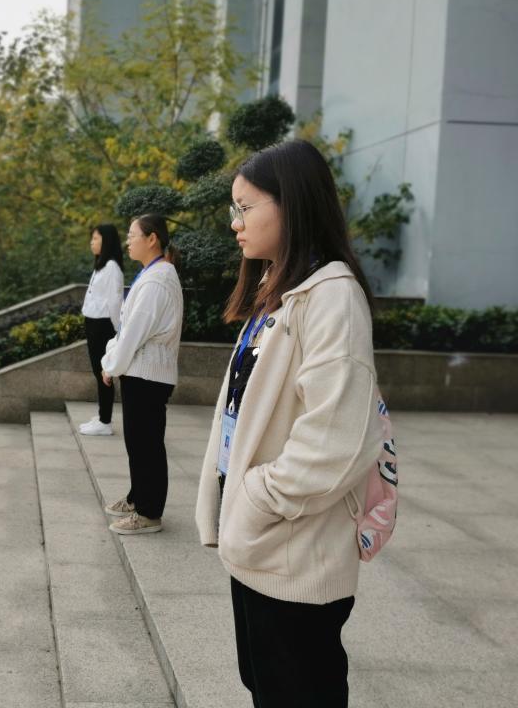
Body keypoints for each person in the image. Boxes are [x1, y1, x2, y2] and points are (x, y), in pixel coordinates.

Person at [194, 139, 383, 707]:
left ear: (292, 204)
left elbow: (335, 439)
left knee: (296, 691)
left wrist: (258, 497)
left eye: (245, 207)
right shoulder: (279, 290)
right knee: (265, 685)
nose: (235, 223)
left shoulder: (332, 298)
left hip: (293, 545)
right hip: (263, 541)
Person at [100, 214, 183, 535]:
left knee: (146, 444)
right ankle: (138, 498)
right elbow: (128, 330)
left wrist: (110, 365)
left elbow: (133, 333)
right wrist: (113, 361)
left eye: (133, 235)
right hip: (142, 375)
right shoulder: (153, 274)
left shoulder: (156, 281)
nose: (128, 241)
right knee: (139, 443)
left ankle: (149, 513)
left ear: (152, 239)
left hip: (147, 377)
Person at [79, 223, 125, 436]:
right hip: (94, 322)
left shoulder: (112, 268)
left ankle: (105, 421)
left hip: (103, 325)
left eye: (96, 238)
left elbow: (115, 302)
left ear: (106, 241)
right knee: (98, 372)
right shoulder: (102, 265)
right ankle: (102, 416)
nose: (92, 242)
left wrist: (117, 331)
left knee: (103, 372)